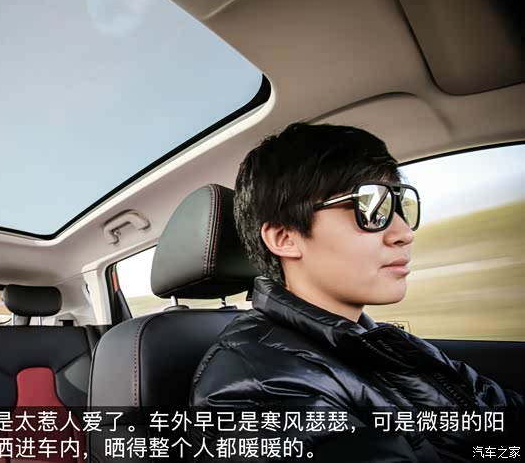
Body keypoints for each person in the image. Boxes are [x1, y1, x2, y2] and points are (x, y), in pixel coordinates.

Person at [189, 123, 523, 462]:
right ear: (285, 238)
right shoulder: (258, 387)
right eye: (369, 208)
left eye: (398, 205)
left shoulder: (385, 342)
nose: (404, 232)